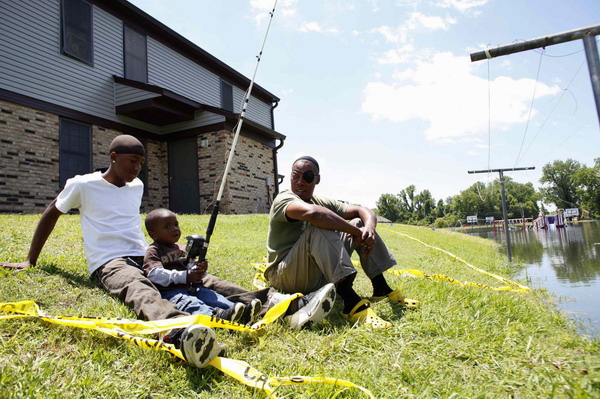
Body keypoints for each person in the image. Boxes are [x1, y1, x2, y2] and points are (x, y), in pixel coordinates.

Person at [0, 135, 221, 368]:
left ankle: (256, 301)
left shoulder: (137, 185)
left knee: (198, 274)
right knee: (138, 287)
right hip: (110, 261)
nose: (137, 168)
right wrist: (29, 260)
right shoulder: (82, 184)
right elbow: (51, 213)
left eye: (141, 164)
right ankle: (178, 331)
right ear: (113, 157)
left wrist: (169, 252)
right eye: (132, 161)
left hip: (143, 253)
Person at [265, 156, 419, 329]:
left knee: (359, 222)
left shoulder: (319, 200)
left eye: (307, 177)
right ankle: (351, 303)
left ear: (317, 179)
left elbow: (361, 210)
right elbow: (315, 215)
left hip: (313, 274)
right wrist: (355, 233)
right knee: (319, 226)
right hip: (283, 275)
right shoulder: (284, 199)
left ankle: (381, 289)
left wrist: (368, 228)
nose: (300, 182)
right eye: (295, 176)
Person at [144, 208, 262, 324]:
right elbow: (155, 274)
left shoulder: (180, 248)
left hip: (191, 286)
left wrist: (198, 268)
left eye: (176, 224)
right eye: (167, 226)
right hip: (171, 292)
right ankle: (212, 317)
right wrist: (185, 276)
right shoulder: (154, 250)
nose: (175, 229)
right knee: (190, 303)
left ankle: (237, 311)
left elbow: (189, 267)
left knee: (210, 295)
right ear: (153, 234)